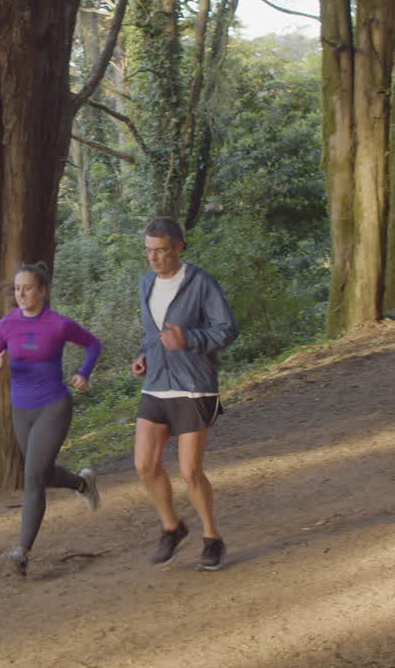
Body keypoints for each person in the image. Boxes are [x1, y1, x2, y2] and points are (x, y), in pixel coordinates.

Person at [131, 217, 239, 570]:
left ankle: (212, 538)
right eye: (149, 251)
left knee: (190, 471)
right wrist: (145, 357)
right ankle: (172, 527)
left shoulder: (201, 282)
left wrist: (189, 340)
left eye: (161, 250)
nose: (154, 258)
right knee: (145, 465)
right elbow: (154, 333)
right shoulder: (146, 282)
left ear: (179, 247)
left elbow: (226, 329)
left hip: (194, 387)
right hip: (157, 384)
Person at [0, 261, 103, 576]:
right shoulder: (5, 325)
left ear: (42, 291)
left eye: (27, 288)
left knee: (33, 476)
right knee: (43, 473)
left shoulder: (58, 324)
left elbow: (93, 344)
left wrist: (83, 372)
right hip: (21, 411)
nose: (21, 293)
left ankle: (21, 551)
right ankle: (81, 483)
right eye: (17, 288)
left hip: (53, 406)